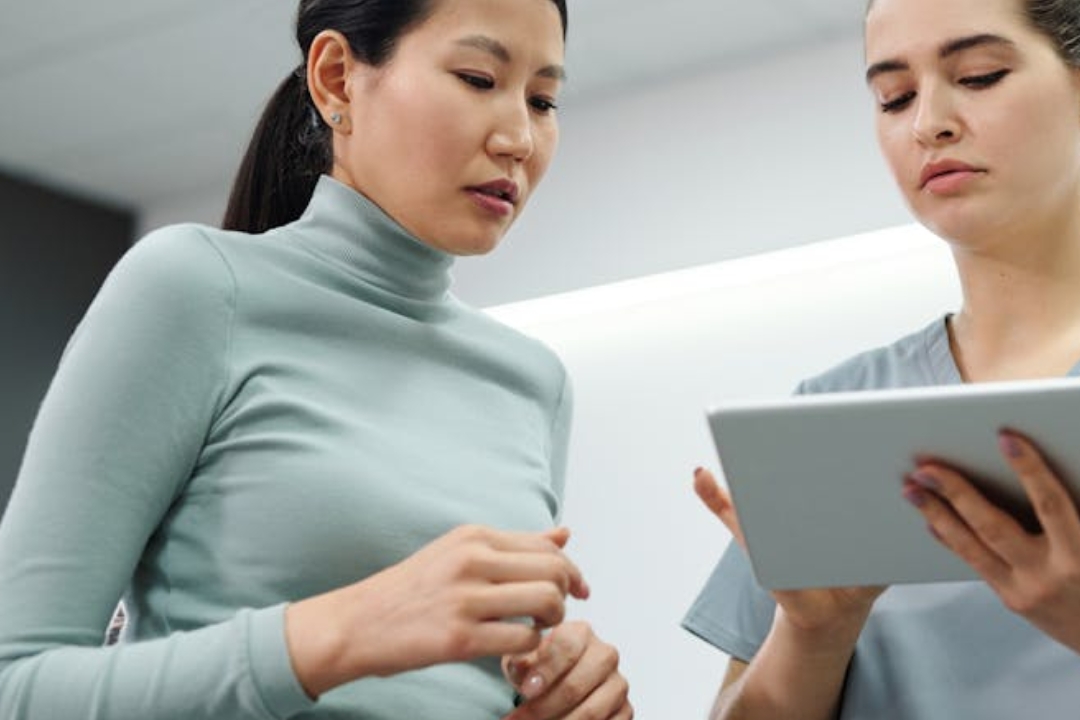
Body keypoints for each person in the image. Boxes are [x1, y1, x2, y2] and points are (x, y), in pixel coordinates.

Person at [0, 1, 632, 718]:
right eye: (478, 77)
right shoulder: (197, 288)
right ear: (336, 79)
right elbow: (17, 686)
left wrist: (554, 695)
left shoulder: (535, 384)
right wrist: (343, 632)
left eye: (543, 99)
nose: (520, 136)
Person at [683, 0, 1080, 717]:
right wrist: (814, 635)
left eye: (980, 75)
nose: (929, 122)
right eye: (893, 97)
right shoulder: (825, 418)